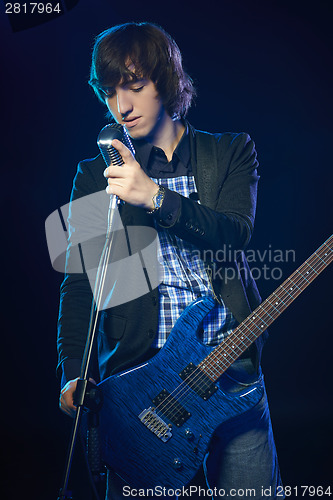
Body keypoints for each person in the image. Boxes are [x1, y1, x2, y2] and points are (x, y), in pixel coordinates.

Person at [58, 22, 284, 499]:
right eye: (109, 92)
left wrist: (155, 197)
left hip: (230, 373)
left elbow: (234, 236)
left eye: (135, 87)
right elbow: (81, 283)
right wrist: (73, 372)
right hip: (146, 392)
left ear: (168, 80)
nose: (122, 106)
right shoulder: (94, 176)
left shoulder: (229, 152)